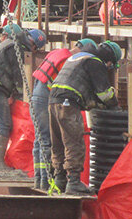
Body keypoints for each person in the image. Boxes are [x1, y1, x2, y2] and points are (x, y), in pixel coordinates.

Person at [48, 40, 122, 195]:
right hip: (68, 103)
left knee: (58, 142)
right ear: (109, 61)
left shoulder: (79, 57)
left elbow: (81, 88)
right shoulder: (95, 63)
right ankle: (73, 182)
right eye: (110, 66)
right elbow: (104, 93)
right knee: (74, 142)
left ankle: (60, 179)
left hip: (53, 101)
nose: (108, 68)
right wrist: (114, 106)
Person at [0, 28, 46, 170]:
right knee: (2, 124)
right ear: (34, 46)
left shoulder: (11, 42)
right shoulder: (19, 49)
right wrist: (22, 96)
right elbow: (20, 78)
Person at [29, 38, 97, 189]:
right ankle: (47, 182)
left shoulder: (56, 53)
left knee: (40, 139)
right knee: (48, 140)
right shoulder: (68, 59)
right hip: (47, 96)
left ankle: (39, 180)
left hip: (37, 95)